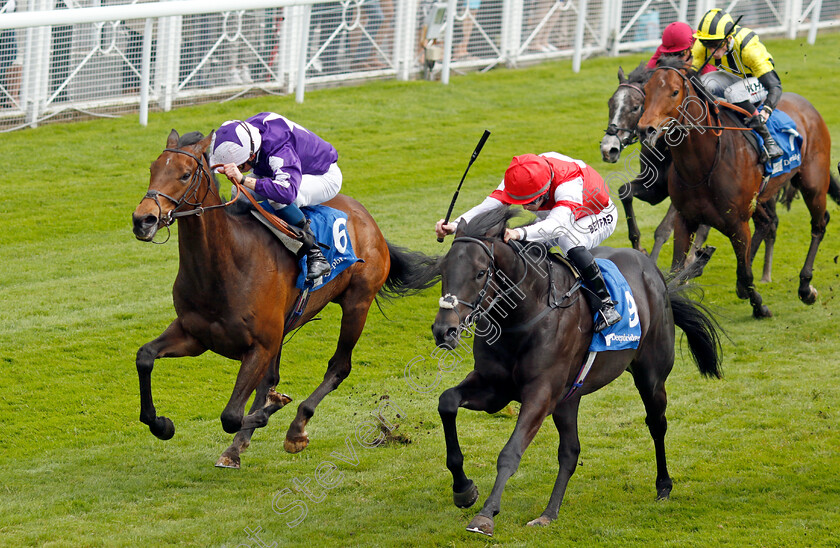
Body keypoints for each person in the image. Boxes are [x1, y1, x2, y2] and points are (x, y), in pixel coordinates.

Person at [435, 152, 621, 332]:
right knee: (522, 249)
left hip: (596, 214)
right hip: (556, 214)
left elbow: (557, 226)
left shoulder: (569, 185)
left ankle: (606, 304)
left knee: (566, 240)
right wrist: (455, 224)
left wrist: (519, 232)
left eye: (530, 202)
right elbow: (489, 206)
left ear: (545, 189)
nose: (525, 207)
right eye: (521, 202)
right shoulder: (521, 175)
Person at [210, 113, 342, 280]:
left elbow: (287, 192)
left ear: (250, 156)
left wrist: (243, 178)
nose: (235, 169)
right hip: (284, 170)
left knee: (277, 198)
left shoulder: (278, 147)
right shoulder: (247, 135)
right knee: (239, 192)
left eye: (238, 166)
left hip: (321, 175)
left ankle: (314, 253)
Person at [690, 8, 783, 160]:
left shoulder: (749, 49)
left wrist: (765, 112)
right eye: (707, 44)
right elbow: (691, 75)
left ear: (729, 38)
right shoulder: (702, 45)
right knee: (703, 83)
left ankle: (769, 140)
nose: (712, 50)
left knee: (733, 93)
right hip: (736, 79)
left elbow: (775, 86)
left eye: (716, 44)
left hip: (760, 82)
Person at [646, 21, 715, 74]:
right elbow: (647, 72)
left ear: (691, 46)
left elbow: (708, 80)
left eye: (680, 54)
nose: (675, 59)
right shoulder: (666, 46)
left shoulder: (704, 45)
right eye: (669, 55)